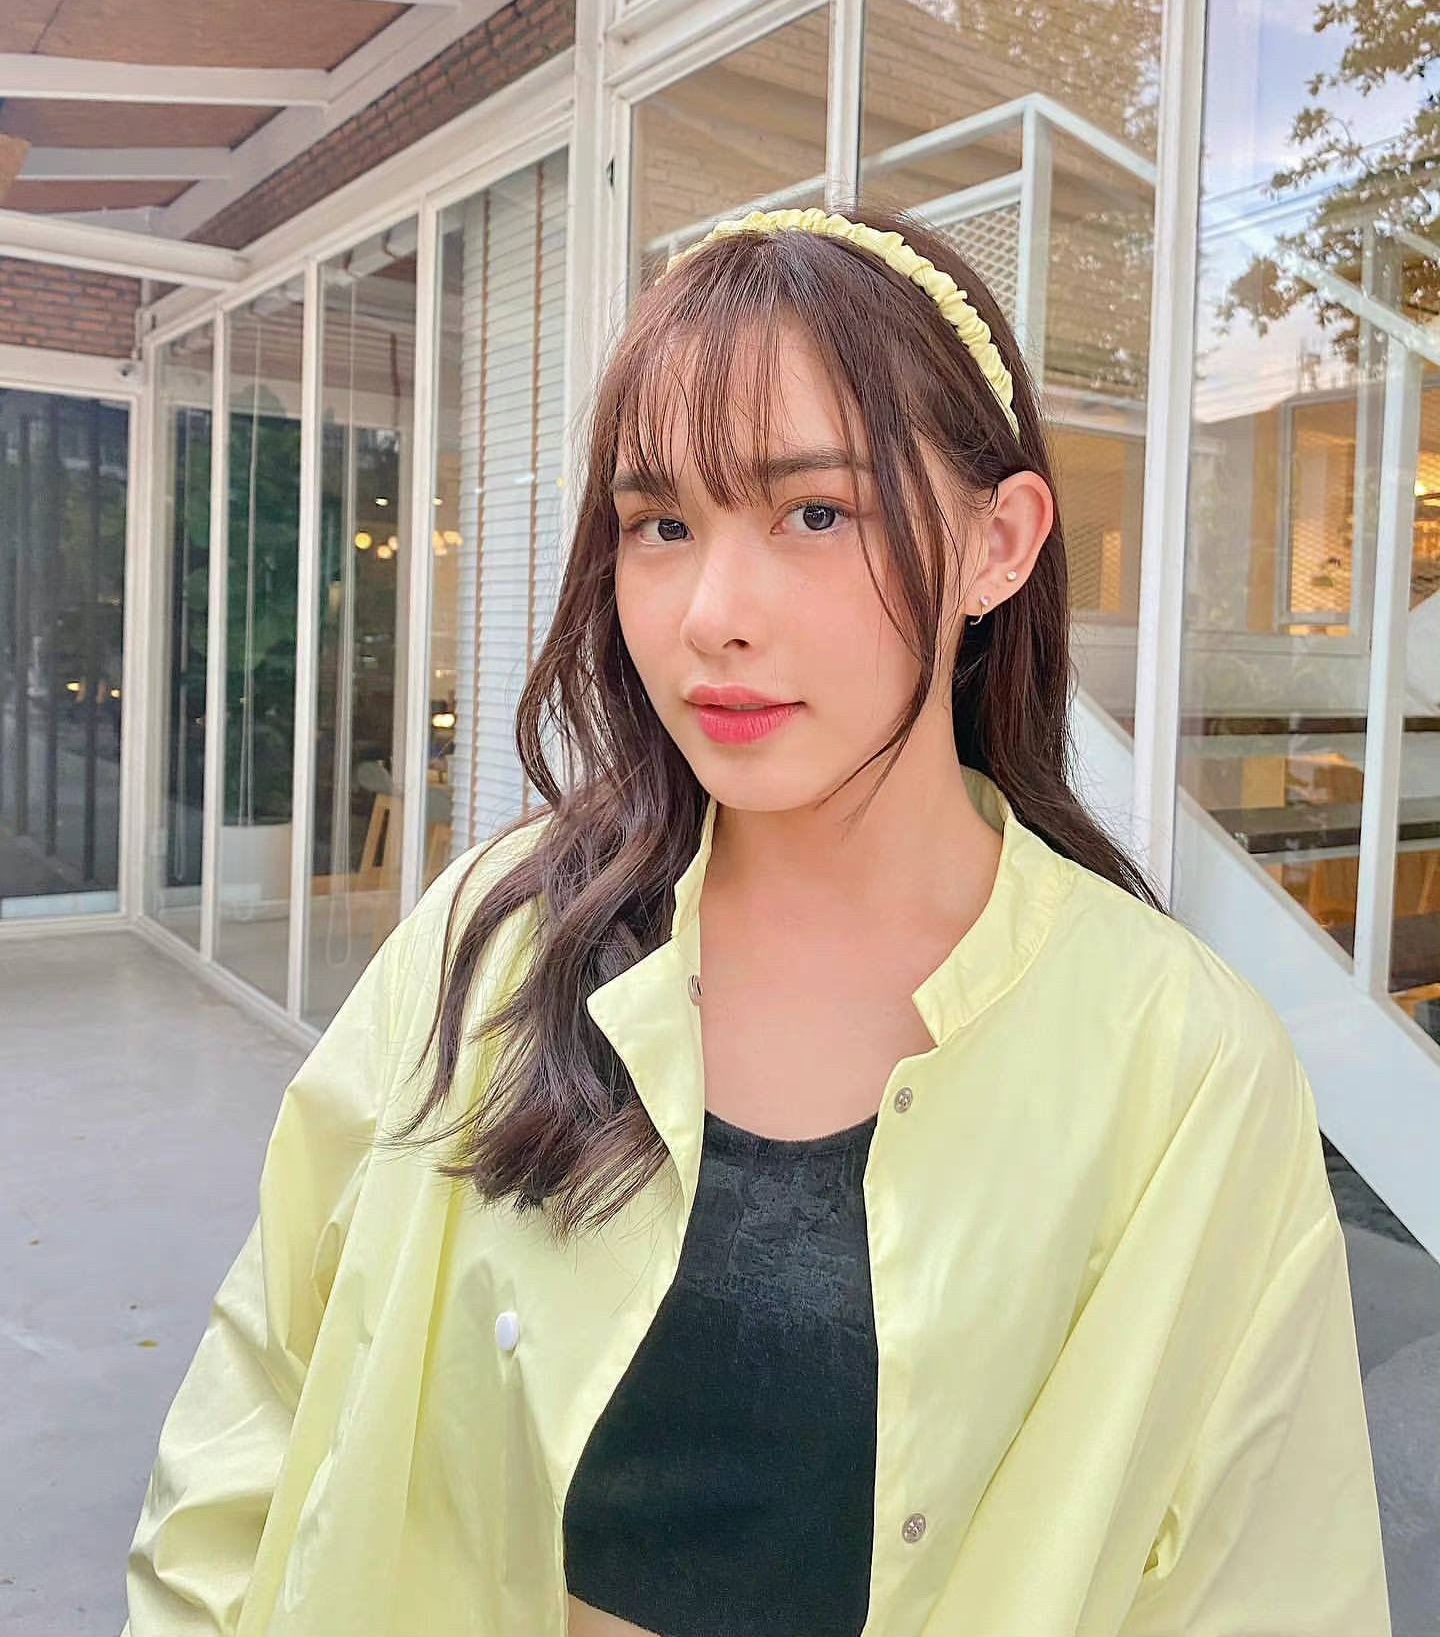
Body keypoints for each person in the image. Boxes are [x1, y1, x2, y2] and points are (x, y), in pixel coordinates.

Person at [121, 201, 1392, 1637]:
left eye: (815, 513)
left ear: (999, 542)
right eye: (662, 525)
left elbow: (1262, 1583)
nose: (712, 613)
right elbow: (259, 1397)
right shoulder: (500, 933)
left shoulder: (1183, 1063)